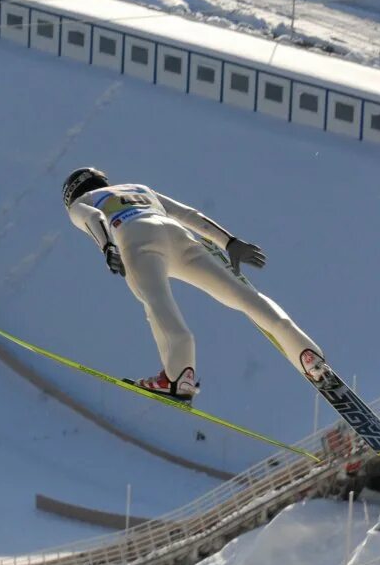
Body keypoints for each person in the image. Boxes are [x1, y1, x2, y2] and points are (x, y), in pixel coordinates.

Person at [63, 167, 328, 403]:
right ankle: (307, 354)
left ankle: (179, 376)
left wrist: (108, 246)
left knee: (156, 301)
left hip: (134, 237)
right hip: (175, 234)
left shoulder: (80, 203)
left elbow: (93, 218)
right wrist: (229, 242)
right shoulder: (137, 188)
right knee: (243, 296)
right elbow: (188, 214)